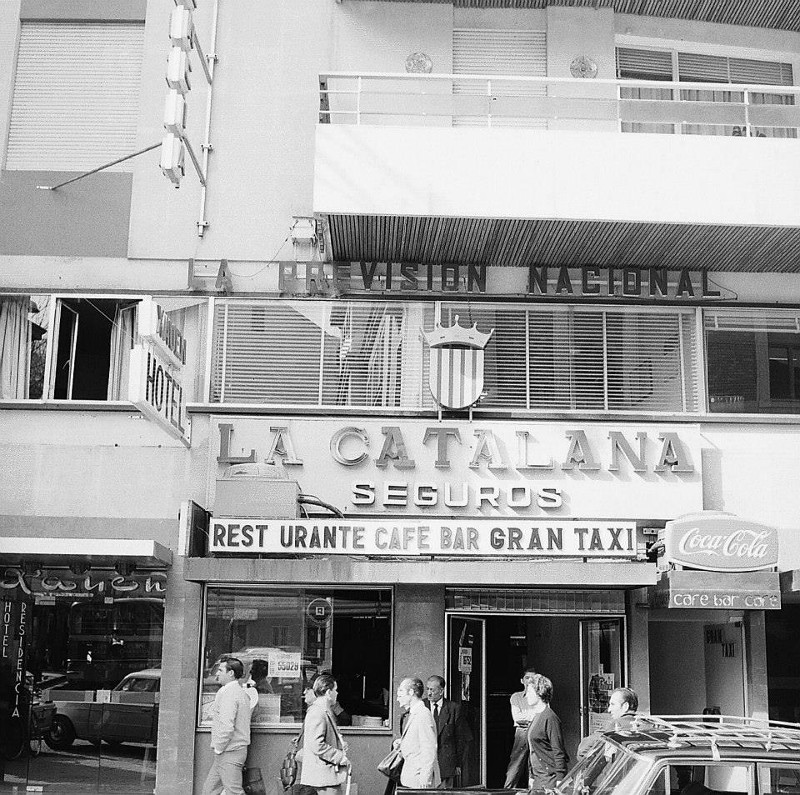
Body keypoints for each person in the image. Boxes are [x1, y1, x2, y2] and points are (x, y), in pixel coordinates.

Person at [201, 657, 252, 795]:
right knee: (209, 790)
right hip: (228, 751)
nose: (217, 673)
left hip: (229, 751)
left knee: (233, 792)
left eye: (221, 670)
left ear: (231, 673)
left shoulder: (230, 693)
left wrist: (219, 748)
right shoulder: (236, 692)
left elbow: (227, 726)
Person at [300, 673, 350, 795]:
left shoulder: (323, 710)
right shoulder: (318, 712)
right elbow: (317, 744)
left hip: (324, 777)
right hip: (322, 779)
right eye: (335, 690)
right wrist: (339, 757)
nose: (337, 693)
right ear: (328, 692)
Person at [424, 675, 471, 789]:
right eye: (427, 689)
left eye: (432, 690)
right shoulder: (422, 706)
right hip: (424, 763)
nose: (429, 693)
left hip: (446, 765)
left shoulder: (454, 708)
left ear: (441, 691)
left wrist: (458, 764)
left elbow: (461, 739)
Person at [526, 674, 568, 794]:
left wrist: (560, 780)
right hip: (538, 778)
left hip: (549, 778)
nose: (526, 695)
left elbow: (558, 750)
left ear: (539, 692)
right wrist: (531, 776)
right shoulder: (536, 717)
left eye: (529, 691)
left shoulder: (550, 718)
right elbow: (532, 750)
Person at [395, 677, 441, 789]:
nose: (397, 699)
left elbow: (429, 748)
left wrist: (425, 778)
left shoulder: (422, 714)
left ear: (411, 692)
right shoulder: (415, 714)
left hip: (419, 780)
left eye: (400, 694)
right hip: (412, 777)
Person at [576, 687, 639, 761]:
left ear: (625, 706)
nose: (609, 709)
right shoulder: (647, 725)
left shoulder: (614, 725)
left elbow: (582, 751)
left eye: (613, 704)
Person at [504, 667, 539, 789]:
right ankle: (508, 790)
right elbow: (518, 717)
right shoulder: (516, 697)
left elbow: (544, 715)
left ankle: (534, 790)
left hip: (537, 732)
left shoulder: (541, 697)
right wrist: (533, 717)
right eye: (527, 677)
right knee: (516, 763)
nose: (530, 680)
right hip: (522, 732)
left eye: (533, 678)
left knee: (536, 763)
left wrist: (531, 718)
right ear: (522, 681)